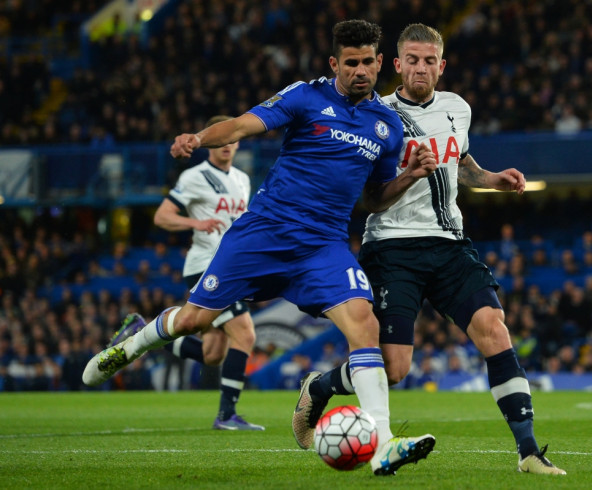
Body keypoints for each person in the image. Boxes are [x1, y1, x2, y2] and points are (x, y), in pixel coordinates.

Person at [83, 19, 438, 476]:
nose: (361, 71)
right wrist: (198, 139)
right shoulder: (305, 97)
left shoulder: (388, 126)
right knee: (195, 320)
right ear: (335, 64)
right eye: (351, 63)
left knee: (364, 325)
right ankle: (134, 344)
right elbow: (242, 125)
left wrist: (407, 176)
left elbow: (372, 199)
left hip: (323, 245)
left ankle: (385, 443)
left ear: (378, 61)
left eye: (368, 61)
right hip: (264, 232)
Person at [292, 23, 566, 476]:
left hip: (450, 244)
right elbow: (369, 200)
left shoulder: (459, 108)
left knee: (494, 329)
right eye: (413, 60)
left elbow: (460, 162)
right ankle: (320, 386)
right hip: (391, 247)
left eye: (430, 60)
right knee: (395, 369)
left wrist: (492, 179)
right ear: (397, 65)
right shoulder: (374, 116)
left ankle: (529, 452)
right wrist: (409, 176)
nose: (421, 68)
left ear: (442, 65)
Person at [107, 115, 263, 430]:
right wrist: (196, 223)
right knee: (245, 334)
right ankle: (226, 416)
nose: (228, 146)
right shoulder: (195, 176)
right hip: (205, 265)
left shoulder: (243, 180)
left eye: (233, 141)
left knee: (213, 353)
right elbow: (162, 217)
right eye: (222, 141)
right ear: (212, 143)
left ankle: (142, 331)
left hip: (232, 268)